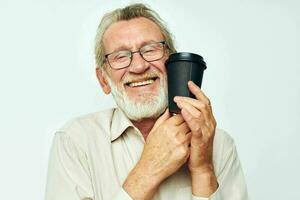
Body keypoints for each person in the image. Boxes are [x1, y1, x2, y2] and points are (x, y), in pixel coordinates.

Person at [45, 3, 248, 200]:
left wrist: (204, 169)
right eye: (120, 56)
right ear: (103, 80)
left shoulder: (219, 144)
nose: (139, 66)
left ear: (173, 64)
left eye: (150, 50)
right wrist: (149, 168)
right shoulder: (75, 141)